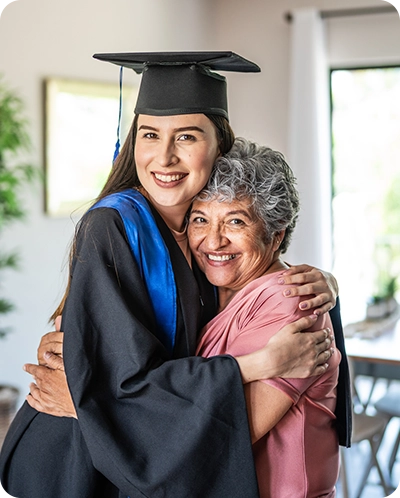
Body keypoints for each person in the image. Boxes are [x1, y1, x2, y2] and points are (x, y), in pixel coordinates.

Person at [0, 52, 341, 498]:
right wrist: (256, 366)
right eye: (149, 134)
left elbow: (255, 296)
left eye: (186, 136)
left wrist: (327, 283)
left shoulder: (199, 237)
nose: (164, 156)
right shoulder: (114, 226)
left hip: (129, 452)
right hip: (75, 458)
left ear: (220, 147)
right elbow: (122, 385)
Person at [190, 137, 344, 497]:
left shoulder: (290, 303)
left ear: (276, 235)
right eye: (200, 219)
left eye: (235, 222)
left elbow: (225, 432)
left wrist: (95, 410)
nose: (213, 241)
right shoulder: (211, 287)